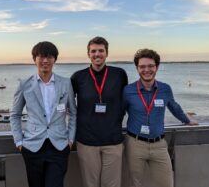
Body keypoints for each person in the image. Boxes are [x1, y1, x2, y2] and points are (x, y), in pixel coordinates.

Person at [123, 48, 198, 187]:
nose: (147, 70)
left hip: (159, 145)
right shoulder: (128, 90)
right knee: (135, 184)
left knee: (166, 183)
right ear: (137, 68)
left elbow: (174, 107)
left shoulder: (165, 89)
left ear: (157, 67)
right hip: (135, 144)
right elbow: (119, 112)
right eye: (142, 66)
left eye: (151, 66)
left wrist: (187, 120)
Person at [10, 41, 77, 187]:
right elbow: (15, 114)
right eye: (41, 57)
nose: (45, 60)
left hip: (59, 146)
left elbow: (73, 113)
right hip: (32, 146)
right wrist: (19, 142)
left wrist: (70, 140)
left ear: (54, 60)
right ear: (35, 59)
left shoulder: (66, 83)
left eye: (49, 57)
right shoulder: (24, 84)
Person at [71, 36, 128, 187]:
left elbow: (124, 102)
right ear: (88, 54)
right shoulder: (78, 77)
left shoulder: (119, 74)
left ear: (107, 53)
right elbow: (69, 106)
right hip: (87, 141)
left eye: (101, 51)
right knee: (90, 184)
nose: (97, 54)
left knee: (112, 185)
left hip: (113, 140)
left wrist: (115, 119)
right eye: (93, 51)